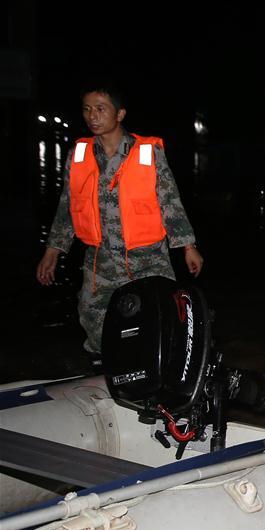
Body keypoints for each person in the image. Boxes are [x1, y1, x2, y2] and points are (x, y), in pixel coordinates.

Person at [36, 85, 202, 355]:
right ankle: (104, 376)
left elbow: (169, 201)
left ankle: (159, 379)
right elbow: (68, 206)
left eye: (101, 109)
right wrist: (53, 251)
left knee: (161, 321)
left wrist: (188, 247)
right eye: (87, 109)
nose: (92, 116)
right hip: (99, 261)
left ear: (120, 114)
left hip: (148, 259)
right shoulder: (78, 155)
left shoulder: (148, 153)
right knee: (94, 322)